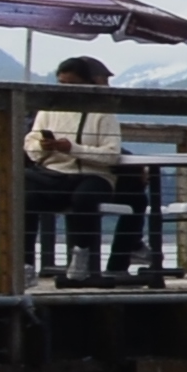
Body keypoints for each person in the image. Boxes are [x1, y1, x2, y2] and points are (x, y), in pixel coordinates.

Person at [23, 55, 153, 284]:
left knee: (86, 197)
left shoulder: (104, 113)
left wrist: (72, 148)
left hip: (92, 175)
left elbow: (111, 153)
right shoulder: (48, 110)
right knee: (24, 195)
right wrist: (43, 148)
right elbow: (31, 146)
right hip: (54, 174)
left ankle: (82, 255)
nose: (66, 90)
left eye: (71, 84)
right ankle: (25, 263)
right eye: (62, 84)